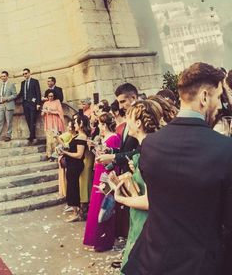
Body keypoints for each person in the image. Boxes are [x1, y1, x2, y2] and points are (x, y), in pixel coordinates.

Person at [123, 62, 232, 275]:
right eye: (218, 97)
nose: (220, 106)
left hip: (152, 260)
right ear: (203, 97)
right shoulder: (225, 150)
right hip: (202, 265)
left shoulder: (150, 145)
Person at [113, 100, 164, 270]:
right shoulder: (148, 149)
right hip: (139, 219)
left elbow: (149, 201)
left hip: (147, 223)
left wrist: (120, 197)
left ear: (138, 123)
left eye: (129, 118)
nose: (126, 122)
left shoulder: (149, 152)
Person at [83, 112, 121, 252]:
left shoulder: (114, 138)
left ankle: (103, 241)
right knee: (97, 206)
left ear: (104, 124)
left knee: (104, 207)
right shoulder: (106, 138)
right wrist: (95, 148)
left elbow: (114, 159)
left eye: (100, 123)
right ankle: (95, 239)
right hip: (99, 171)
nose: (99, 126)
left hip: (105, 174)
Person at [61, 114, 89, 222]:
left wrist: (65, 153)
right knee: (72, 187)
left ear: (81, 124)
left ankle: (76, 213)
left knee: (73, 188)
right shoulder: (78, 135)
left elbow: (79, 155)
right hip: (72, 165)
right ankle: (75, 211)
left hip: (75, 165)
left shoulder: (82, 137)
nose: (74, 125)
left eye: (76, 123)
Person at [0, 71, 18, 142]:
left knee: (9, 121)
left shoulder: (11, 85)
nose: (3, 77)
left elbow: (15, 95)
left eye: (4, 76)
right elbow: (0, 96)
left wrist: (6, 98)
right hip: (1, 106)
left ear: (7, 76)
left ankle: (8, 136)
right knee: (0, 121)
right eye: (1, 76)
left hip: (9, 105)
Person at [19, 68, 41, 144]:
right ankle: (33, 135)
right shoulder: (22, 83)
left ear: (29, 73)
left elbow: (38, 93)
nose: (25, 75)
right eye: (23, 74)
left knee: (32, 120)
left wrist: (38, 103)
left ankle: (31, 136)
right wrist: (12, 98)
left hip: (33, 104)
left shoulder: (34, 81)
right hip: (25, 104)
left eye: (26, 73)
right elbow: (21, 93)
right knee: (28, 120)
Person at [41, 90, 65, 159]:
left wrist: (51, 112)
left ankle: (56, 155)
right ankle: (49, 154)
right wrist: (44, 111)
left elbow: (60, 112)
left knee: (55, 139)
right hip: (48, 122)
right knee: (49, 139)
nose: (50, 97)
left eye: (51, 96)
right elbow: (42, 114)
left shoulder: (57, 102)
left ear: (54, 96)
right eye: (49, 96)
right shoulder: (45, 103)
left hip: (55, 122)